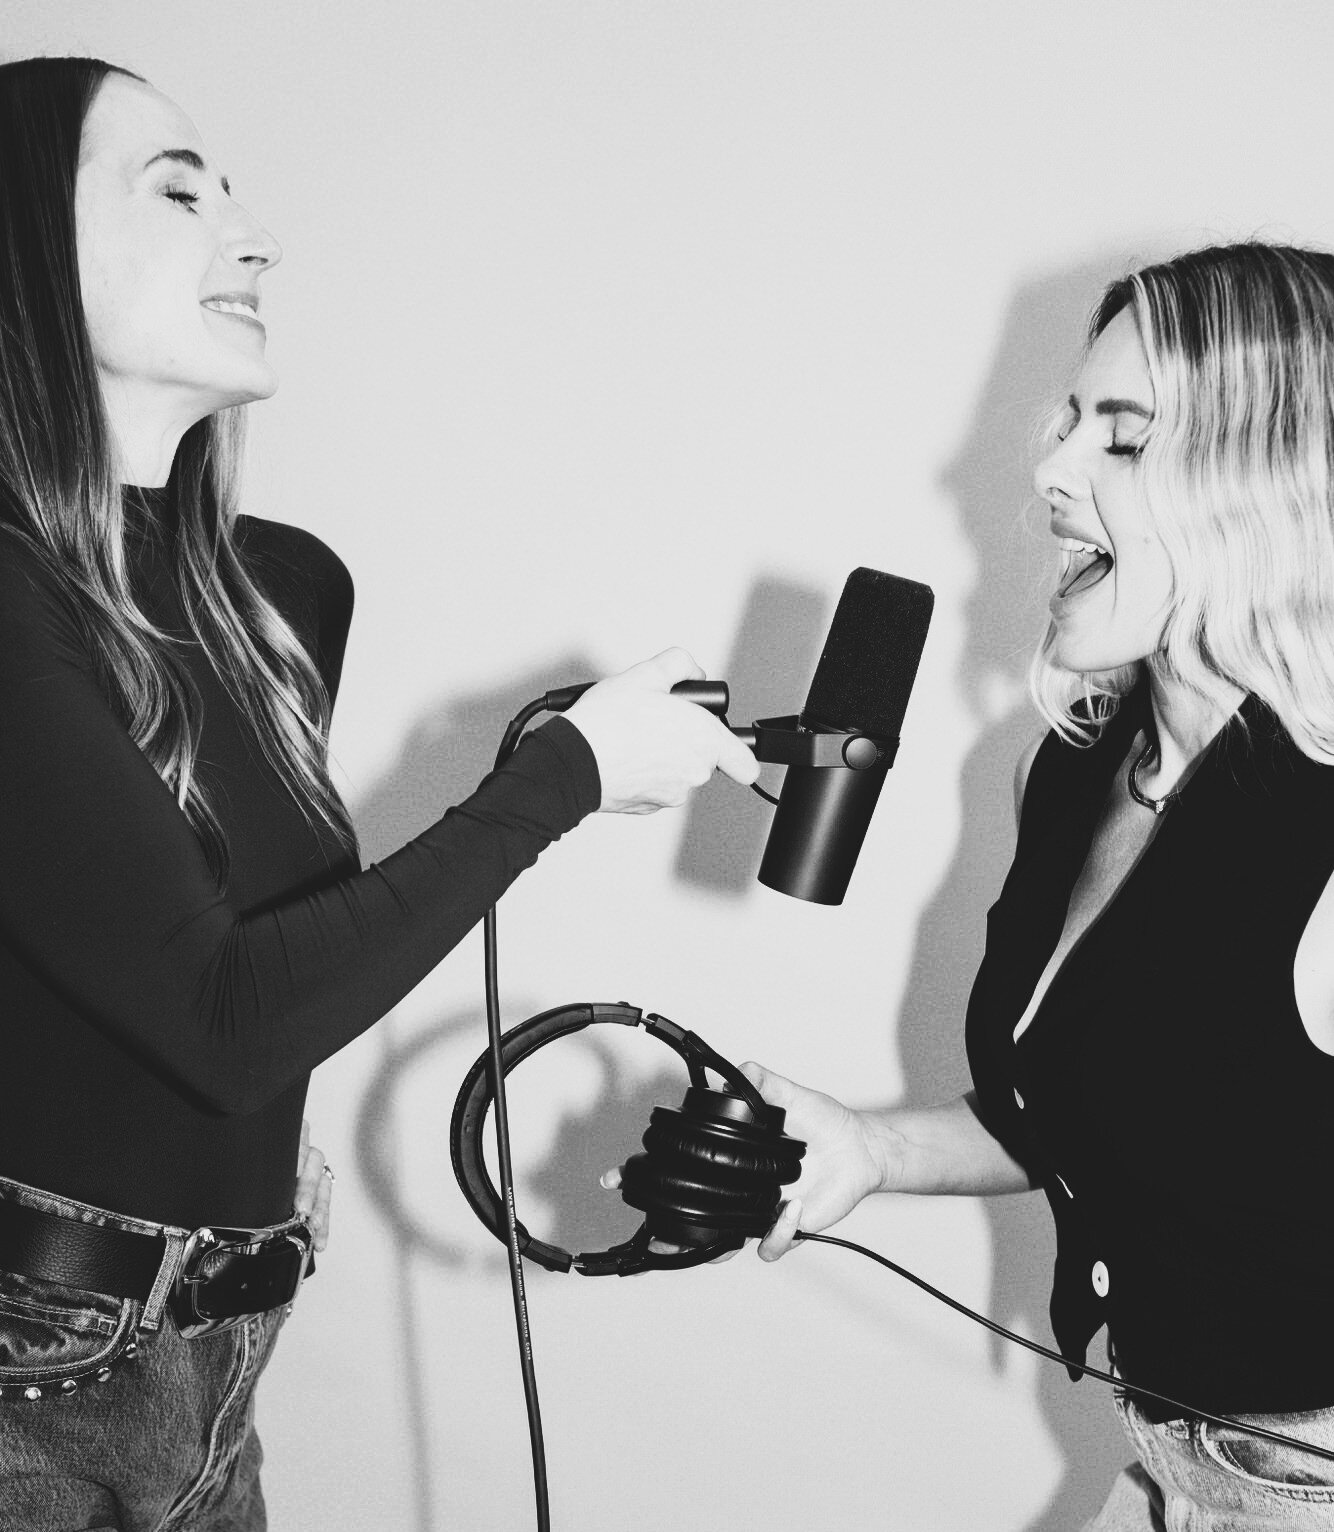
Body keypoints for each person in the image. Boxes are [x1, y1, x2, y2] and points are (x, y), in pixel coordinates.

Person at [0, 54, 757, 1532]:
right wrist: (560, 782)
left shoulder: (280, 594)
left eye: (236, 195)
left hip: (221, 1358)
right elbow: (222, 1017)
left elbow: (238, 940)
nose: (254, 237)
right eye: (178, 193)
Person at [739, 243, 1334, 1529]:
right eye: (1068, 423)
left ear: (1274, 488)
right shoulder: (1072, 767)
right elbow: (1097, 1105)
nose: (1050, 469)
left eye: (1122, 439)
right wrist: (869, 1147)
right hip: (1176, 1467)